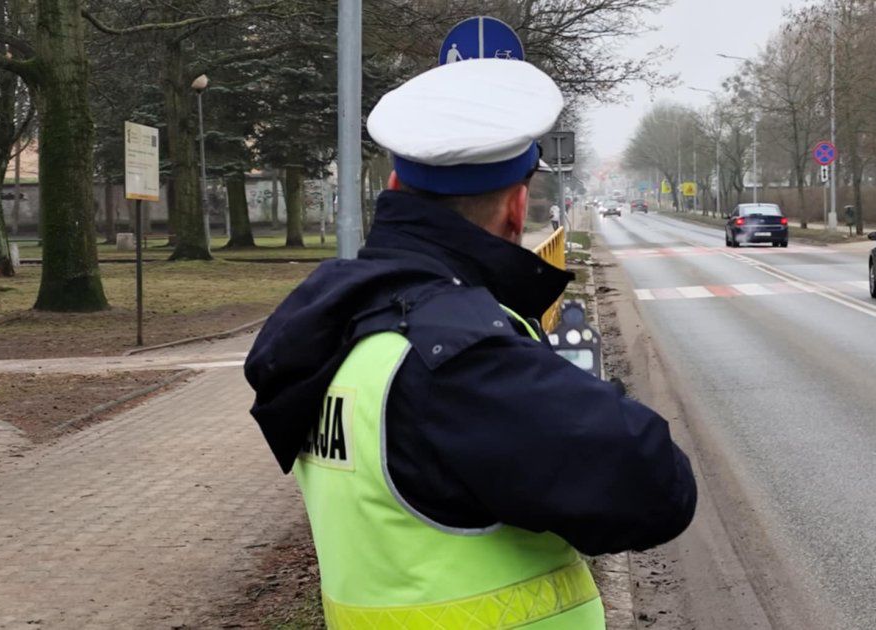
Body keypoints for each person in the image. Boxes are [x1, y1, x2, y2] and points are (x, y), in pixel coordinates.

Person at [245, 58, 696, 629]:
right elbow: (659, 488)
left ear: (392, 188)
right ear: (515, 208)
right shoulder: (458, 358)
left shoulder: (329, 324)